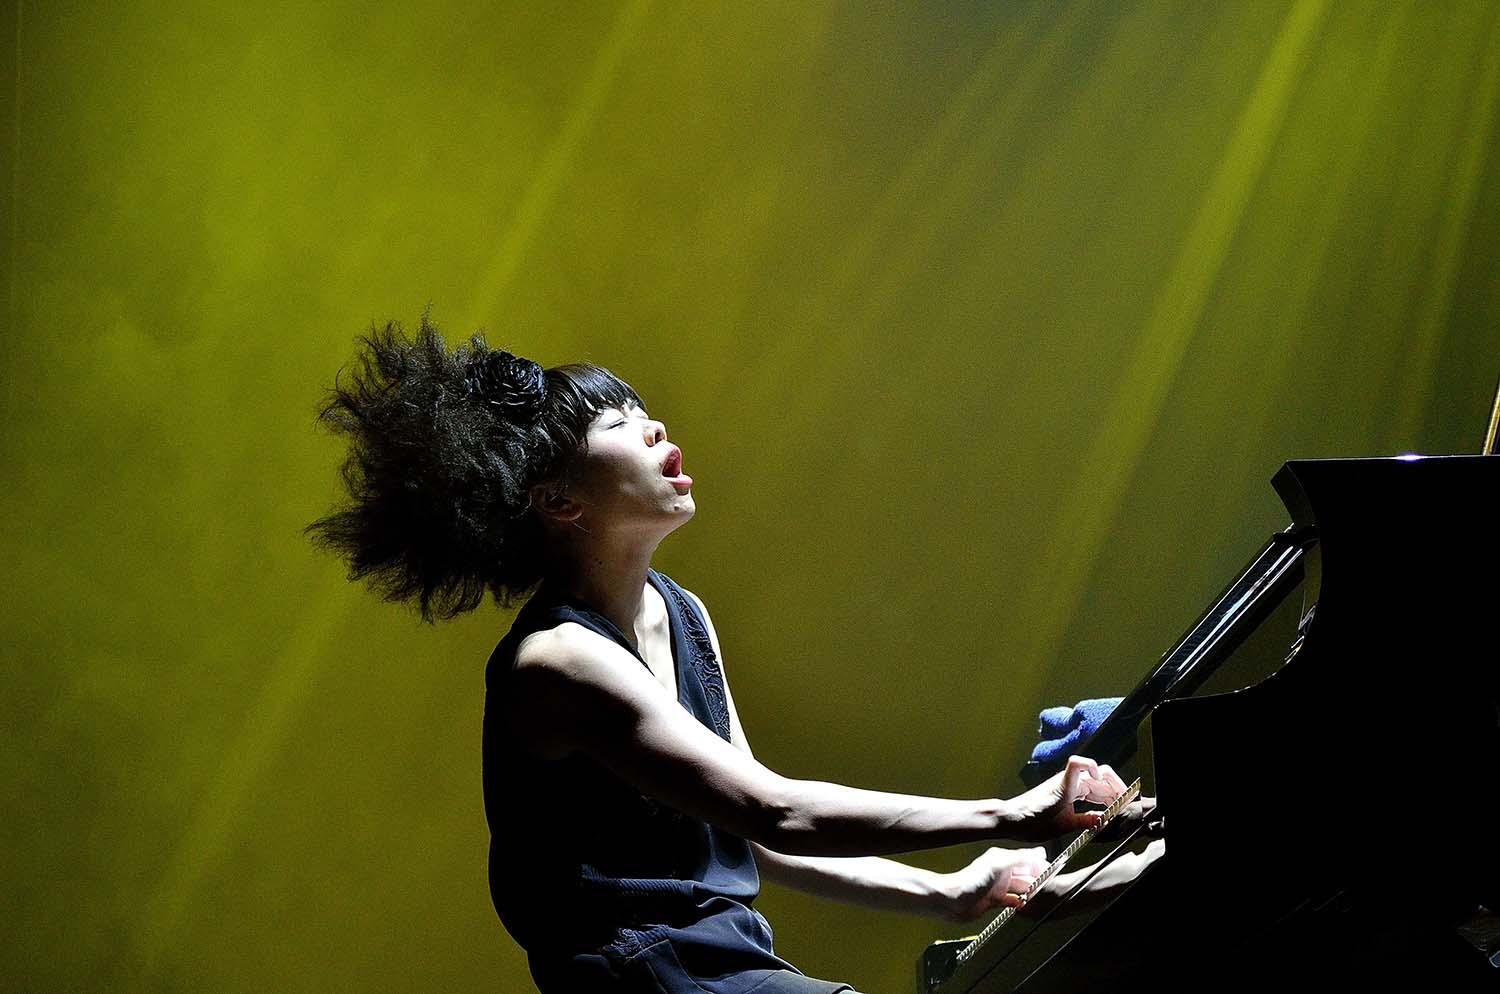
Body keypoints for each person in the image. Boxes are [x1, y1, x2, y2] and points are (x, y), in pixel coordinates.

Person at [306, 315, 1131, 994]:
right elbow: (776, 811)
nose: (654, 425)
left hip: (724, 963)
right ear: (557, 500)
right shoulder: (557, 662)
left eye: (641, 408)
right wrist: (1013, 815)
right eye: (616, 422)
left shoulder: (681, 611)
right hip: (647, 974)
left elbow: (753, 836)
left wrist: (949, 892)